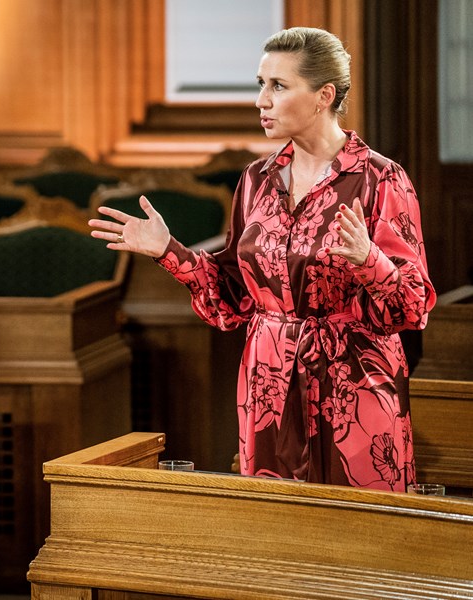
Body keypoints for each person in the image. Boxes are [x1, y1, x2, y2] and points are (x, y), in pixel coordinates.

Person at [89, 27, 435, 491]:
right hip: (268, 381)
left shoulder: (381, 179)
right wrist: (169, 253)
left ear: (323, 96)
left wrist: (371, 260)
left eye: (278, 85)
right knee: (272, 532)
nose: (261, 100)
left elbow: (413, 306)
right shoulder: (256, 179)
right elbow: (232, 293)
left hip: (354, 385)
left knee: (358, 539)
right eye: (260, 83)